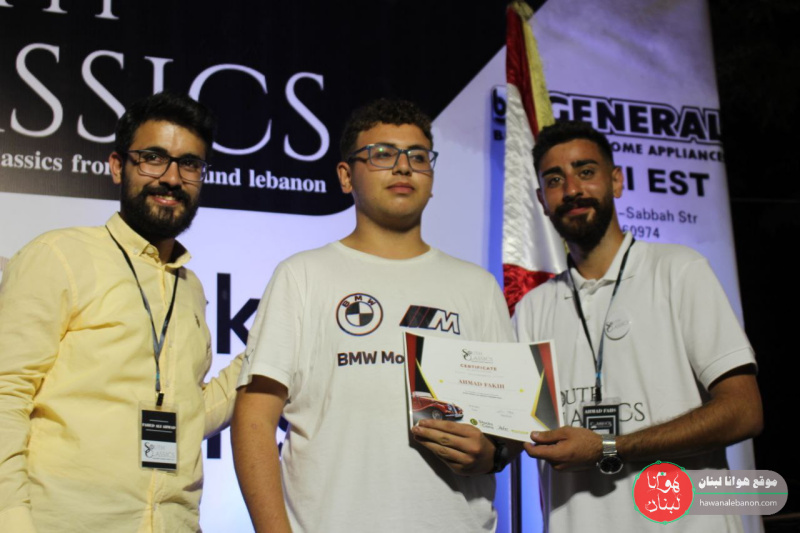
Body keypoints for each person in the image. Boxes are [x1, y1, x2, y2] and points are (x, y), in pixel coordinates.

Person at [232, 98, 515, 532]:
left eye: (417, 157)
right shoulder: (302, 275)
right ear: (346, 176)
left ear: (432, 177)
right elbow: (254, 419)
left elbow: (509, 426)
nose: (403, 167)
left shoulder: (477, 286)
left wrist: (494, 453)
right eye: (382, 154)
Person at [0, 92, 243, 533]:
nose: (172, 177)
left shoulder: (190, 288)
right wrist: (11, 521)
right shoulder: (59, 255)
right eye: (153, 158)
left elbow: (188, 412)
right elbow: (6, 393)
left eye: (190, 164)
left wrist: (268, 349)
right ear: (117, 166)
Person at [514, 120, 763, 531]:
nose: (572, 189)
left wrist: (611, 446)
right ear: (542, 199)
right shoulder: (531, 310)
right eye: (555, 180)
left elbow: (744, 411)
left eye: (585, 171)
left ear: (616, 181)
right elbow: (513, 429)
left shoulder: (679, 270)